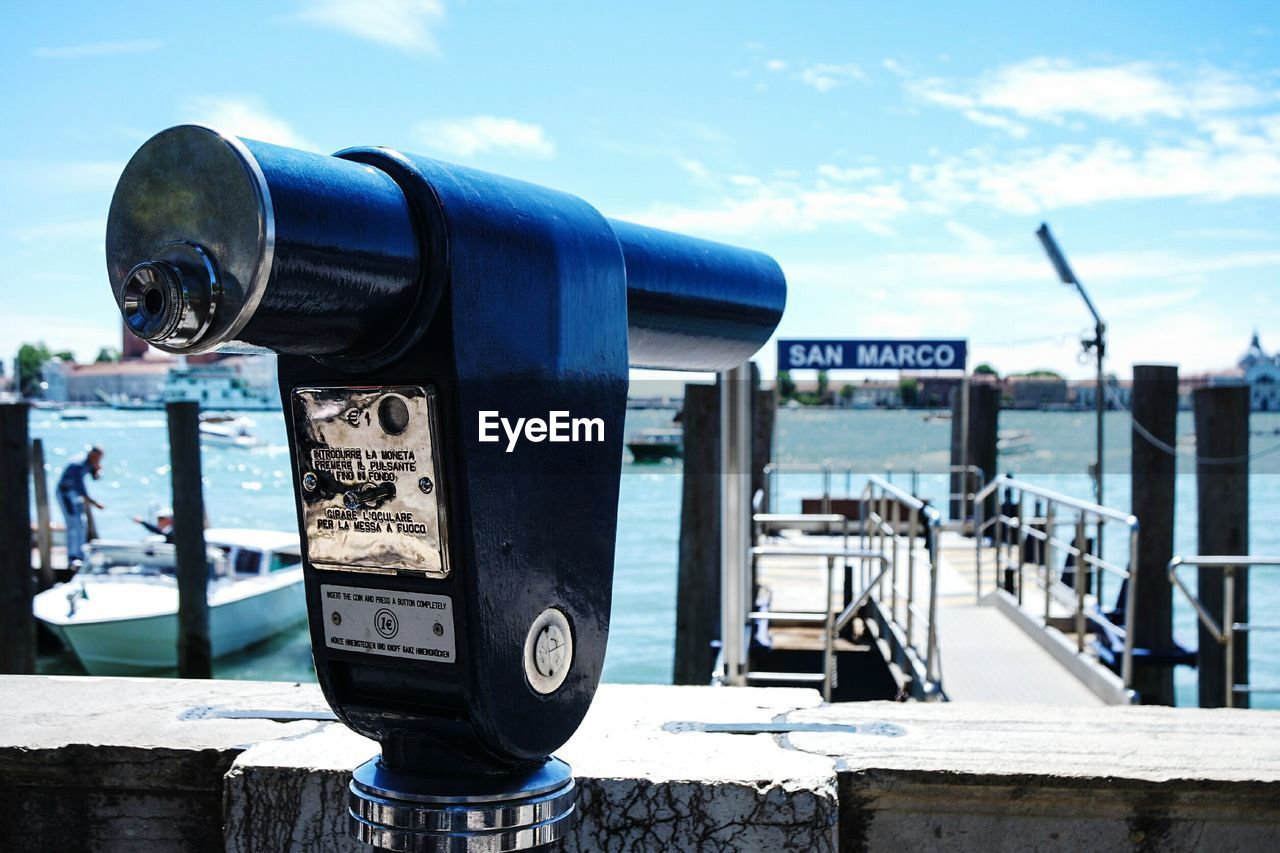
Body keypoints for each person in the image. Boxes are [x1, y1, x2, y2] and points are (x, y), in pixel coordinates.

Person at [57, 446, 104, 564]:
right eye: (98, 459)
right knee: (73, 524)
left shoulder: (89, 462)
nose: (98, 461)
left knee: (81, 524)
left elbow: (95, 477)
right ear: (93, 455)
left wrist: (97, 470)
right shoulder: (78, 464)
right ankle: (72, 556)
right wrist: (95, 503)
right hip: (66, 494)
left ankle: (80, 554)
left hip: (75, 495)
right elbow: (80, 489)